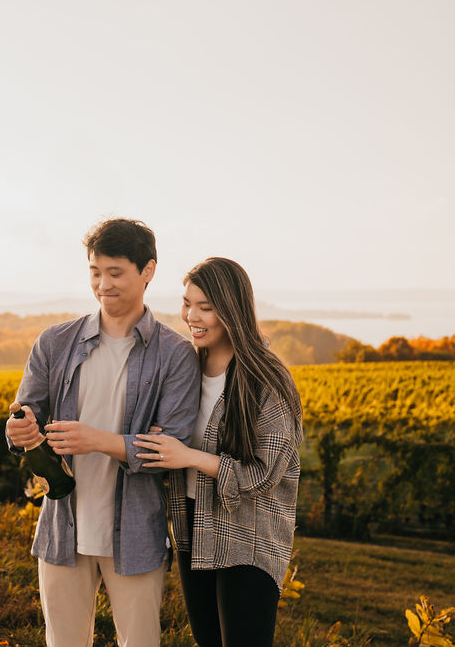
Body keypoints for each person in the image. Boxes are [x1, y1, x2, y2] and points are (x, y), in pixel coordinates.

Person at [5, 218, 200, 647]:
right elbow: (27, 410)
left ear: (148, 271)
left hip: (135, 533)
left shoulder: (176, 355)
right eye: (95, 272)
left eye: (115, 273)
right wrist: (18, 428)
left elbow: (172, 448)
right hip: (62, 530)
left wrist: (98, 441)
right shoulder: (54, 342)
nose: (103, 284)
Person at [134, 257, 303, 647]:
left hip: (249, 534)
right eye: (187, 303)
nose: (192, 316)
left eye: (205, 307)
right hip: (193, 524)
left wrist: (188, 457)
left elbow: (263, 474)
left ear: (232, 309)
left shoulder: (266, 378)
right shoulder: (185, 368)